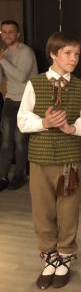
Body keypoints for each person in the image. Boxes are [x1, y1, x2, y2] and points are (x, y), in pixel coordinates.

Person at [17, 32, 81, 290]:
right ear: (53, 54)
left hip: (70, 160)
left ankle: (65, 255)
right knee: (42, 210)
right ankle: (49, 256)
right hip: (41, 157)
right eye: (68, 53)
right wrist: (45, 122)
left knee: (68, 209)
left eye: (77, 54)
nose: (74, 59)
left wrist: (72, 128)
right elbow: (23, 120)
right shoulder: (35, 84)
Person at [0, 20, 38, 191]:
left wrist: (2, 61)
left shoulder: (26, 52)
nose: (7, 35)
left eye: (11, 32)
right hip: (10, 99)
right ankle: (2, 176)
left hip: (26, 100)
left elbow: (21, 77)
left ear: (18, 34)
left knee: (20, 141)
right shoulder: (5, 53)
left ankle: (19, 175)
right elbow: (2, 79)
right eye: (4, 32)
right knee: (5, 141)